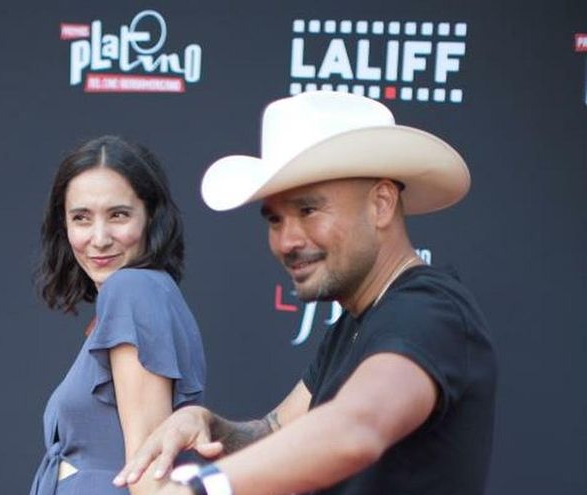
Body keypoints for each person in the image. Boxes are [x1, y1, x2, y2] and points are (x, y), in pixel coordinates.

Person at [113, 91, 497, 495]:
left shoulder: (429, 311)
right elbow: (275, 431)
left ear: (381, 204)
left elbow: (356, 428)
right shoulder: (358, 319)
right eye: (275, 219)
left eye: (308, 210)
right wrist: (209, 424)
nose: (287, 240)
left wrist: (205, 489)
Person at [30, 135, 207, 495]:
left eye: (118, 215)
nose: (99, 238)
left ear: (151, 217)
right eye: (81, 218)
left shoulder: (133, 292)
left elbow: (148, 474)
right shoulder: (141, 294)